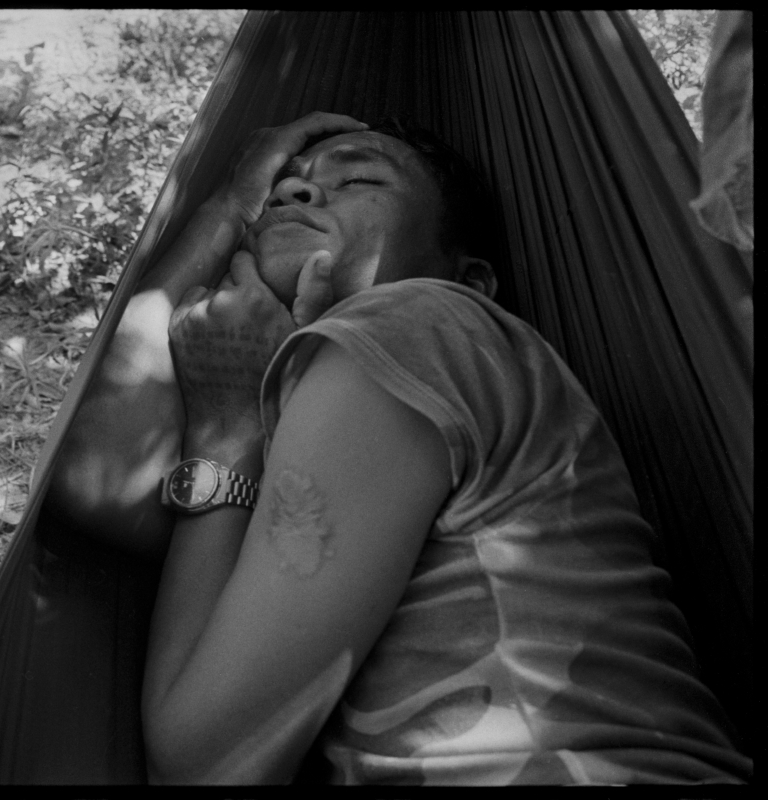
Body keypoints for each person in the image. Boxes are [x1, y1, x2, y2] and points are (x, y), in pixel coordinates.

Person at [47, 113, 752, 785]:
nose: (294, 190)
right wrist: (230, 205)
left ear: (466, 277)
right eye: (282, 186)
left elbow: (204, 765)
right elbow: (97, 477)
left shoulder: (423, 320)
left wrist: (226, 426)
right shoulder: (292, 416)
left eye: (360, 180)